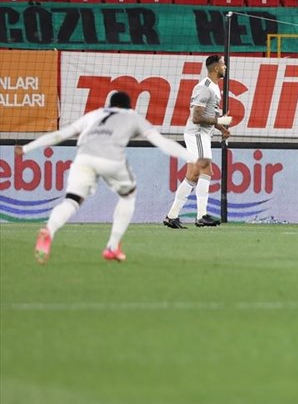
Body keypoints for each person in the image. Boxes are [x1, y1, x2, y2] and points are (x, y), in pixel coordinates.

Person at [15, 91, 207, 264]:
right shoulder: (132, 116)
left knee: (71, 201)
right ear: (129, 106)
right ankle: (112, 247)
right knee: (128, 195)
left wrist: (26, 148)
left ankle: (49, 230)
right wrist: (193, 158)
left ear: (109, 105)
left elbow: (59, 135)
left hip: (84, 159)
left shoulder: (95, 114)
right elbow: (163, 143)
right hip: (111, 159)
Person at [163, 54, 232, 229]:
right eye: (223, 64)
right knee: (206, 171)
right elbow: (196, 117)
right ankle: (201, 215)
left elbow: (208, 115)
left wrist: (221, 128)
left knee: (193, 176)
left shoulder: (215, 88)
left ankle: (172, 216)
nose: (225, 67)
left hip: (202, 135)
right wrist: (219, 121)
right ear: (216, 68)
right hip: (197, 134)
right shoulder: (204, 88)